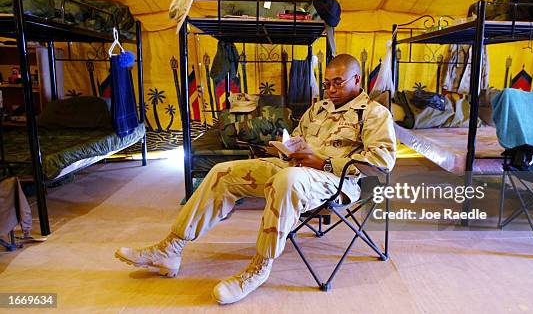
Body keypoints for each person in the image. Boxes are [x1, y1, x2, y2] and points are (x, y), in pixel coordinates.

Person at [115, 54, 396, 304]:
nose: (331, 90)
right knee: (222, 172)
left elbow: (383, 161)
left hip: (335, 181)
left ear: (357, 79)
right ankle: (171, 248)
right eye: (327, 84)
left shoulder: (373, 114)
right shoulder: (318, 109)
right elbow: (300, 137)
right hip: (294, 168)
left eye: (338, 83)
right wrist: (289, 147)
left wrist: (323, 162)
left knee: (288, 180)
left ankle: (259, 268)